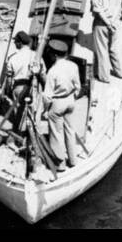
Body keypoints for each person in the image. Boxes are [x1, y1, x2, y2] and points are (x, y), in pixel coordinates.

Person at [42, 38, 83, 168]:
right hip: (70, 101)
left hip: (58, 103)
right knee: (70, 131)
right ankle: (73, 160)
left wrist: (45, 110)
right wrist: (73, 97)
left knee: (56, 134)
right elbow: (78, 86)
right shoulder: (73, 66)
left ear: (54, 55)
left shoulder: (52, 72)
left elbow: (47, 96)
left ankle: (60, 165)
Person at [85, 0, 122, 83]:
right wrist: (113, 21)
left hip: (102, 23)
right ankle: (119, 72)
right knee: (113, 48)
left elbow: (100, 11)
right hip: (115, 21)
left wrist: (108, 24)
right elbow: (119, 5)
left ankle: (104, 77)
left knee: (102, 49)